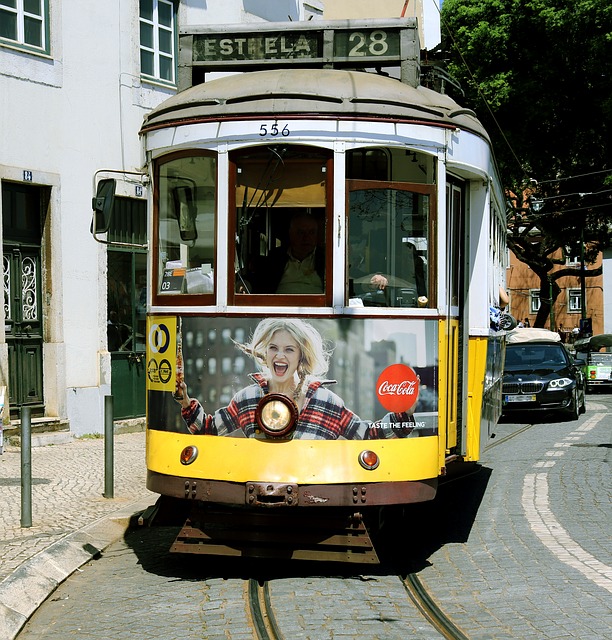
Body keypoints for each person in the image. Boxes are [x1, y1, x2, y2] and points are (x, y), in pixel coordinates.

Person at [175, 318, 418, 440]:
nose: (279, 356)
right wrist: (185, 401)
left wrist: (403, 413)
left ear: (301, 357)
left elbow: (367, 435)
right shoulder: (247, 398)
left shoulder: (327, 402)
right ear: (265, 353)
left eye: (289, 350)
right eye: (273, 348)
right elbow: (207, 430)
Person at [250, 212, 325, 294]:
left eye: (311, 232)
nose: (306, 238)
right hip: (280, 305)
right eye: (301, 232)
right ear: (291, 234)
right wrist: (246, 285)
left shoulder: (325, 259)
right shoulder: (276, 257)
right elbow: (258, 280)